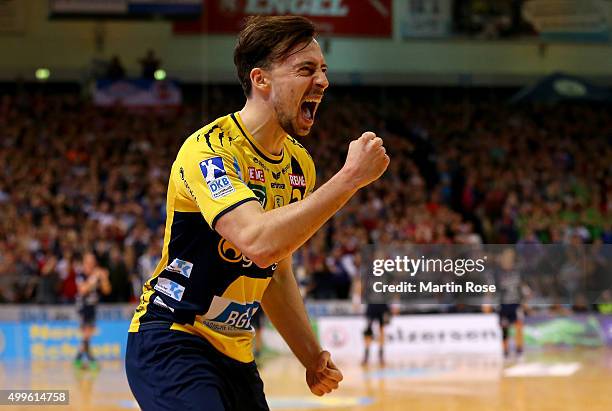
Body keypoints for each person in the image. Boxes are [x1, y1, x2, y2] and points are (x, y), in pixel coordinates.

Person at [125, 15, 389, 411]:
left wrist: (311, 356)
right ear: (261, 79)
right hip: (173, 338)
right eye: (306, 69)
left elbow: (276, 273)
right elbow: (257, 242)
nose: (322, 81)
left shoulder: (300, 165)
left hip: (236, 355)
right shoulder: (210, 151)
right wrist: (349, 179)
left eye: (323, 70)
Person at [74, 252, 111, 369]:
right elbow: (83, 290)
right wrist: (94, 277)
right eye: (88, 262)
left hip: (93, 307)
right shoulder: (81, 275)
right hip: (83, 307)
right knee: (87, 333)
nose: (90, 264)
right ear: (84, 263)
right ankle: (89, 359)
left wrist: (104, 278)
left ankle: (79, 359)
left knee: (87, 335)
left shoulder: (97, 274)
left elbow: (107, 290)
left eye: (92, 262)